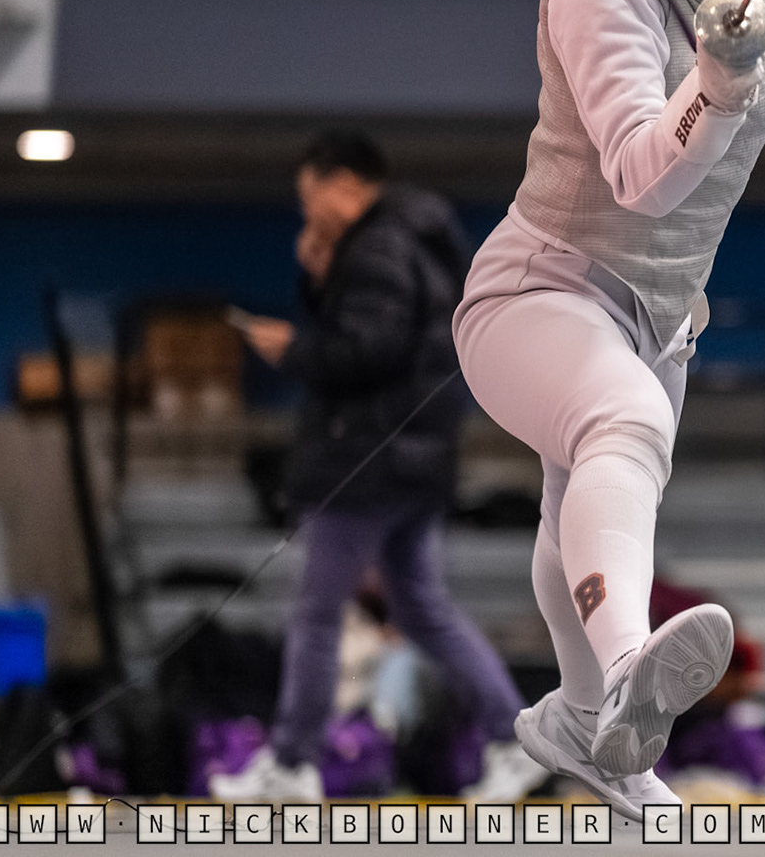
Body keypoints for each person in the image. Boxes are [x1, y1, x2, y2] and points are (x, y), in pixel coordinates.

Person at [451, 0, 765, 820]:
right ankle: (627, 668)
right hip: (541, 289)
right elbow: (647, 172)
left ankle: (585, 725)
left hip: (663, 314)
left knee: (577, 512)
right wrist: (720, 76)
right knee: (623, 432)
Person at [211, 130, 545, 804]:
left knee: (316, 615)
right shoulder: (416, 239)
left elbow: (370, 349)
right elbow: (381, 334)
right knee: (422, 609)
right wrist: (321, 276)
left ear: (344, 184)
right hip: (414, 459)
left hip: (365, 462)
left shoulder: (378, 245)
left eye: (311, 198)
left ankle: (291, 762)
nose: (309, 214)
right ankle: (517, 740)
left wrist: (294, 350)